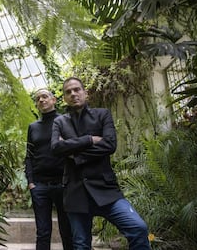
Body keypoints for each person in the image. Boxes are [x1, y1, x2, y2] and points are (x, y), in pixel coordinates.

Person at [51, 77, 151, 250]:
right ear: (65, 98)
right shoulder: (59, 122)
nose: (73, 94)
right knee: (81, 244)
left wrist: (74, 154)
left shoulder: (102, 114)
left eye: (77, 89)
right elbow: (56, 148)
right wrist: (89, 139)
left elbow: (109, 145)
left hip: (106, 190)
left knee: (138, 228)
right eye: (68, 92)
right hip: (75, 192)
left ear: (85, 93)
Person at [25, 88, 73, 250]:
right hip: (40, 186)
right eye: (38, 99)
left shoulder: (65, 121)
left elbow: (74, 149)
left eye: (45, 97)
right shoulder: (33, 127)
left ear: (54, 100)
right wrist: (31, 182)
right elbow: (29, 156)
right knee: (43, 231)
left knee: (67, 229)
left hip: (63, 183)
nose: (41, 100)